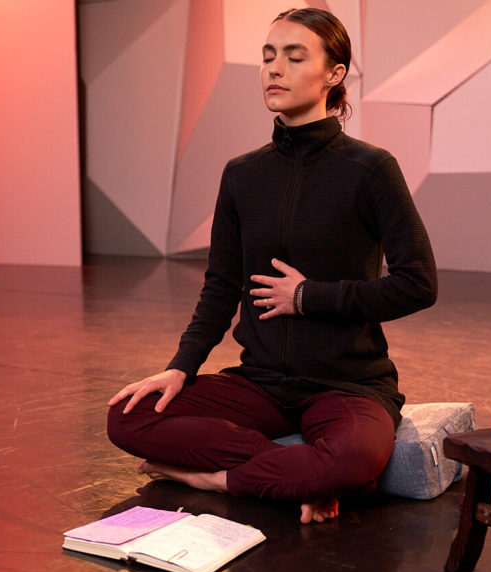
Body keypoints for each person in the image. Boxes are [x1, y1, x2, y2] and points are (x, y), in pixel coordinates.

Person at [107, 7, 437, 524]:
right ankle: (304, 477)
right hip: (259, 382)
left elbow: (418, 283)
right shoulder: (243, 174)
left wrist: (309, 298)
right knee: (129, 417)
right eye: (267, 57)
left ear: (334, 73)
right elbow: (221, 284)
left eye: (293, 55)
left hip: (346, 385)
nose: (273, 69)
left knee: (355, 457)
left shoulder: (371, 169)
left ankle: (219, 478)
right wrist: (180, 367)